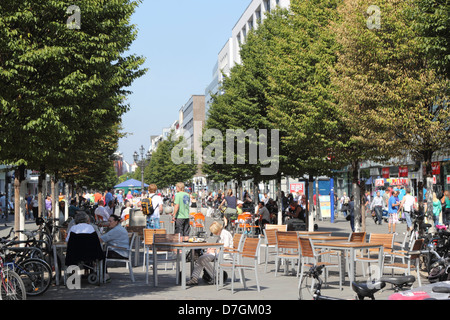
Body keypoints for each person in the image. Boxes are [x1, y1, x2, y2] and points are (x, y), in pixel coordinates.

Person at [186, 221, 233, 286]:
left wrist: (214, 250)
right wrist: (212, 249)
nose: (215, 234)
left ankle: (198, 278)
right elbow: (219, 246)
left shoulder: (225, 234)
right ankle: (195, 278)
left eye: (215, 232)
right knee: (201, 259)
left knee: (202, 259)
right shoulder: (222, 233)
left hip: (225, 254)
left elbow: (225, 247)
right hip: (219, 252)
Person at [100, 214, 130, 282]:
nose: (109, 223)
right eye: (108, 221)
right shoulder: (118, 228)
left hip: (120, 251)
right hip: (122, 250)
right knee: (101, 253)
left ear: (116, 222)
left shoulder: (116, 230)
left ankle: (105, 275)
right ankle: (102, 273)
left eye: (110, 221)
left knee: (100, 255)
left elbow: (101, 239)